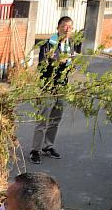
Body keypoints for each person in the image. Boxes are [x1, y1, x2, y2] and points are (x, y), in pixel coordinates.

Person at [29, 16, 80, 165]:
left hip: (61, 87)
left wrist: (71, 66)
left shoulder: (70, 44)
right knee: (42, 120)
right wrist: (55, 62)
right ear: (58, 28)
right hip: (47, 87)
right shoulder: (48, 45)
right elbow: (41, 67)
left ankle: (48, 146)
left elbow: (68, 64)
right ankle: (35, 151)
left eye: (70, 27)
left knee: (55, 119)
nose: (67, 29)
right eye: (64, 26)